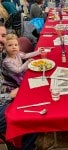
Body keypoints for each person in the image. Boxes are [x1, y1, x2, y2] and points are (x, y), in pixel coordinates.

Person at [0, 21, 38, 150]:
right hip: (3, 101)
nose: (2, 40)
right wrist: (8, 95)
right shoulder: (5, 58)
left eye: (3, 35)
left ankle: (26, 143)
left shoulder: (3, 54)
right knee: (32, 115)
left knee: (36, 100)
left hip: (7, 91)